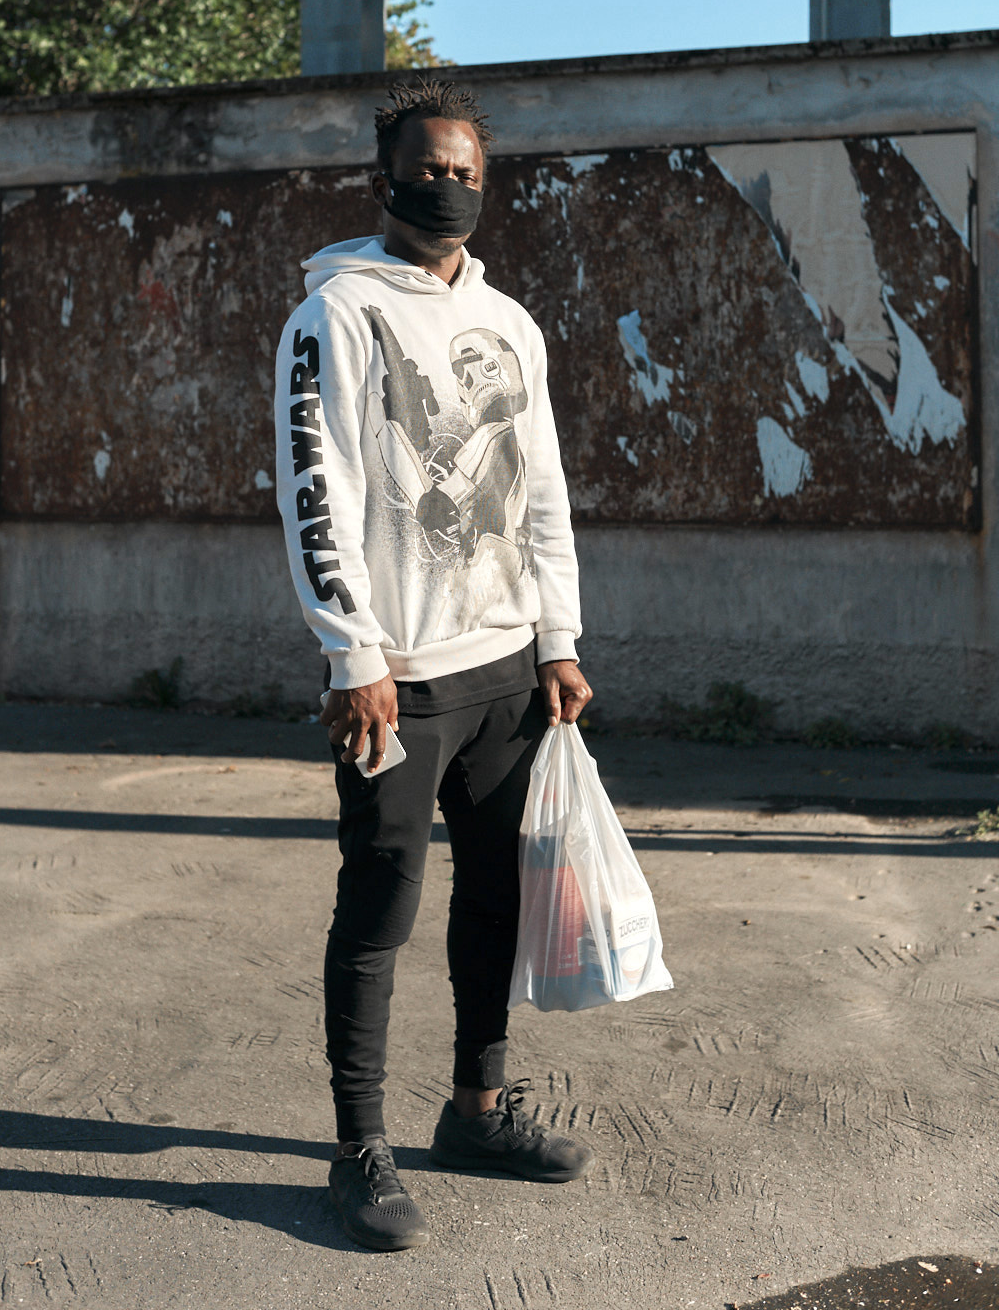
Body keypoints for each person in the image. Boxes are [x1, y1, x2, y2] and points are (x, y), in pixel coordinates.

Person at [274, 78, 595, 1252]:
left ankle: (476, 1108)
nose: (447, 185)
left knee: (496, 898)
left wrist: (555, 639)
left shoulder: (512, 323)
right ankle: (357, 1147)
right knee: (379, 906)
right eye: (428, 166)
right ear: (386, 175)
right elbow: (319, 492)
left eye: (465, 170)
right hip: (398, 674)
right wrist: (350, 651)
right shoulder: (336, 314)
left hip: (506, 667)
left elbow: (543, 487)